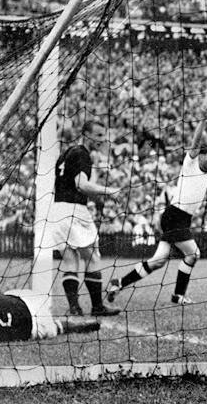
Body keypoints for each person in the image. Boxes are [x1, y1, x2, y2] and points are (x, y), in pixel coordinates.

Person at [106, 120, 207, 305]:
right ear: (201, 155)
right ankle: (178, 295)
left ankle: (119, 283)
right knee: (193, 254)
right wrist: (202, 123)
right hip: (174, 216)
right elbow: (195, 143)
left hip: (180, 219)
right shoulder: (190, 164)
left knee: (158, 260)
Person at [50, 121, 122, 317]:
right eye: (98, 135)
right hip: (74, 210)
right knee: (92, 257)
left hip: (58, 210)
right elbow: (81, 184)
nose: (102, 139)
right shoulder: (82, 154)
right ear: (86, 134)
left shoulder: (67, 153)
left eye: (103, 135)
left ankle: (74, 308)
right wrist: (110, 191)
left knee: (70, 260)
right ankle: (97, 307)